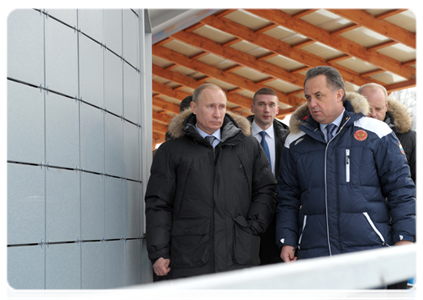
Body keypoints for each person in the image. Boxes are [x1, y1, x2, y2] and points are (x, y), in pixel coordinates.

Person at [276, 66, 417, 300]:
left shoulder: (375, 132)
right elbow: (287, 197)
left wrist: (404, 238)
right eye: (308, 97)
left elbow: (400, 188)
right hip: (315, 253)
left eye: (319, 95)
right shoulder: (295, 141)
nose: (312, 103)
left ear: (339, 94)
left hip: (367, 252)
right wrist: (287, 239)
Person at [145, 83, 277, 280]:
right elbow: (159, 203)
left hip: (239, 253)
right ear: (194, 107)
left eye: (222, 107)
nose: (217, 113)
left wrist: (251, 227)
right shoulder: (171, 151)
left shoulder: (248, 147)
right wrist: (159, 251)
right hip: (191, 256)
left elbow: (266, 189)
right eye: (210, 106)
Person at [358, 83, 420, 300]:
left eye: (379, 109)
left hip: (396, 229)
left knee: (395, 293)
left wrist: (408, 228)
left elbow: (416, 184)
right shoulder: (349, 138)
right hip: (361, 232)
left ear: (387, 107)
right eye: (368, 109)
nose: (374, 115)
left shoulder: (408, 138)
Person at [247, 87, 289, 265]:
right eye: (261, 104)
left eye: (271, 105)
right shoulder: (237, 138)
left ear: (278, 109)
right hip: (247, 216)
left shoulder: (289, 138)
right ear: (252, 107)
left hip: (278, 217)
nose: (266, 110)